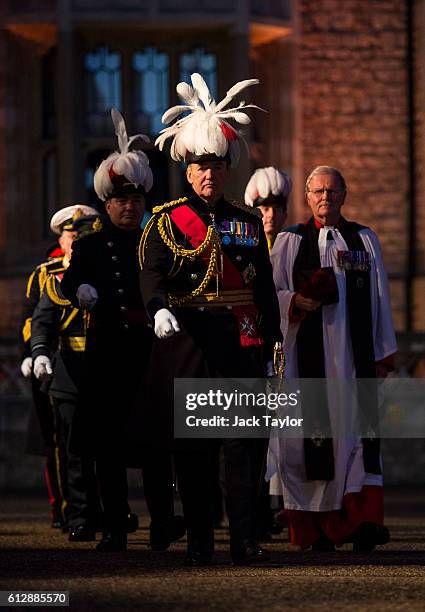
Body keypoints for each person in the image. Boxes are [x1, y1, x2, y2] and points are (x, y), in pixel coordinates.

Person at [140, 73, 282, 565]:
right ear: (187, 169)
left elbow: (261, 288)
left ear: (228, 170)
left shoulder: (245, 221)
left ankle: (244, 539)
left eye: (217, 167)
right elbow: (152, 277)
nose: (209, 175)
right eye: (201, 167)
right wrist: (157, 308)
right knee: (196, 456)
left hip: (240, 349)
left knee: (243, 450)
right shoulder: (164, 221)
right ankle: (201, 539)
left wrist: (272, 342)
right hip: (191, 348)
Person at [61, 109, 183, 552]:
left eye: (136, 201)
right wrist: (82, 290)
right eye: (121, 201)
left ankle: (162, 525)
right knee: (108, 451)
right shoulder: (90, 245)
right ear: (107, 203)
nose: (130, 207)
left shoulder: (158, 240)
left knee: (155, 447)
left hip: (148, 354)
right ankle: (114, 526)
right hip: (106, 352)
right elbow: (70, 282)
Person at [267, 165, 397, 551]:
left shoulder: (364, 240)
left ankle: (360, 523)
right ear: (307, 197)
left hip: (354, 361)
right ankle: (317, 529)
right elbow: (270, 294)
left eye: (333, 191)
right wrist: (295, 301)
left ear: (344, 195)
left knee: (359, 441)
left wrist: (382, 353)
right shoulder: (289, 241)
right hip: (307, 362)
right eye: (319, 191)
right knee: (310, 443)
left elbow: (380, 298)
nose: (326, 197)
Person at [19, 205, 96, 528]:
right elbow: (33, 318)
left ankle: (102, 511)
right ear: (61, 238)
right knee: (63, 444)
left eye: (82, 233)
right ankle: (70, 511)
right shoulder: (46, 274)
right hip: (60, 364)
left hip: (102, 363)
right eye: (70, 234)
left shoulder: (103, 270)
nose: (76, 238)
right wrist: (35, 352)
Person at [244, 166, 292, 250]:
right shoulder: (241, 250)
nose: (271, 214)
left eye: (276, 209)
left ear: (285, 216)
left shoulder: (294, 249)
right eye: (265, 209)